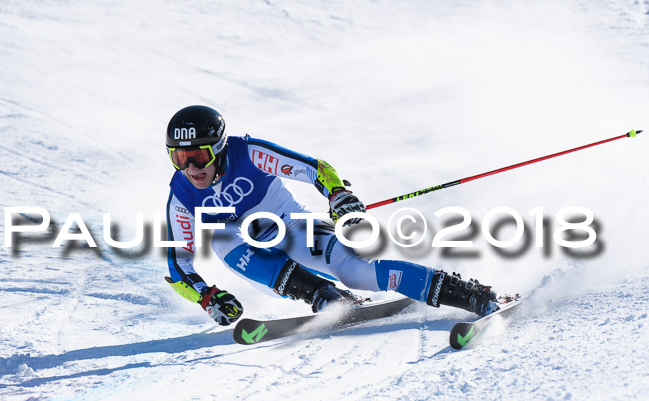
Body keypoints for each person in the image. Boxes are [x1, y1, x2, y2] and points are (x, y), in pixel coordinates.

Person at [164, 105, 500, 326]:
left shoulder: (248, 152)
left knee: (356, 271)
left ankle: (465, 292)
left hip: (293, 226)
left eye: (198, 156)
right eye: (179, 158)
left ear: (219, 148)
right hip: (248, 251)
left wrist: (339, 195)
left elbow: (315, 170)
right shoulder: (182, 195)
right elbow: (178, 266)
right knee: (222, 237)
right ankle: (321, 294)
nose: (191, 168)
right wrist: (207, 298)